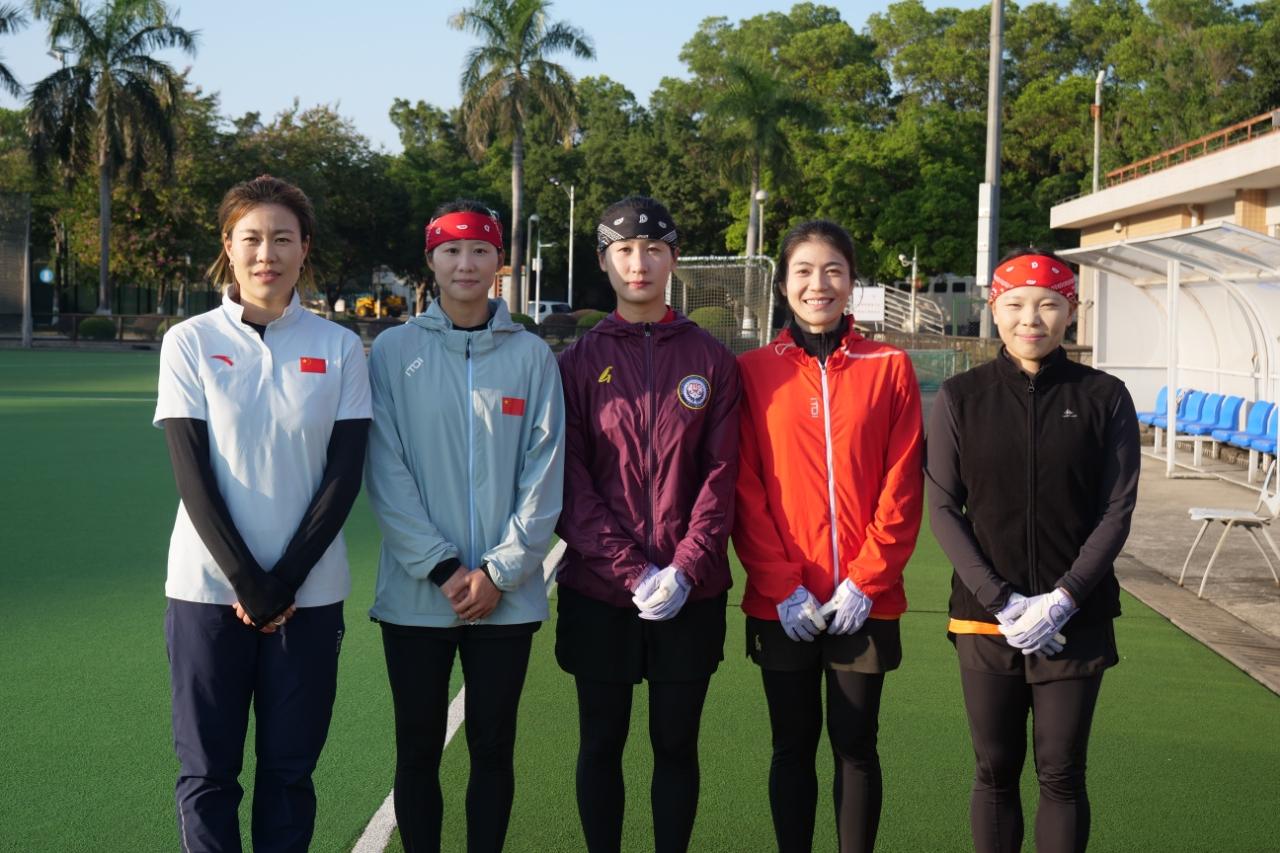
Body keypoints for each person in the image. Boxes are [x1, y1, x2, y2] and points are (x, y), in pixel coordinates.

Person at [154, 175, 371, 852]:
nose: (266, 254)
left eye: (282, 238)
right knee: (208, 774)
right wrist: (249, 582)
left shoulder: (340, 347)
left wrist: (283, 583)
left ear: (305, 248)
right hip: (206, 592)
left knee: (289, 773)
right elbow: (192, 475)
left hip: (310, 596)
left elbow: (344, 476)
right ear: (228, 245)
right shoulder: (189, 341)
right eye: (251, 238)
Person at [364, 199, 565, 853]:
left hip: (507, 597)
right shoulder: (392, 351)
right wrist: (444, 567)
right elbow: (385, 469)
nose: (466, 263)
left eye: (480, 249)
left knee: (493, 746)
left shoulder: (532, 357)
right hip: (417, 593)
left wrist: (501, 572)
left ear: (498, 261)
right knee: (418, 746)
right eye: (451, 250)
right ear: (431, 261)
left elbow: (545, 472)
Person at [926, 249, 1140, 853]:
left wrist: (1064, 599)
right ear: (994, 310)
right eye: (1015, 304)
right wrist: (1002, 601)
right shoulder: (962, 396)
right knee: (994, 769)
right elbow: (942, 507)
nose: (1031, 318)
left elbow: (1117, 509)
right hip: (984, 616)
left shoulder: (1105, 395)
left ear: (1070, 311)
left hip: (1077, 619)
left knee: (1061, 770)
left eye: (1048, 304)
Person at [554, 196, 741, 853]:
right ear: (604, 261)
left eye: (654, 249)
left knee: (676, 744)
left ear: (674, 259)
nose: (640, 262)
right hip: (600, 590)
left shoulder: (712, 358)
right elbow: (570, 481)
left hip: (693, 592)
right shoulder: (576, 362)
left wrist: (684, 570)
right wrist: (633, 571)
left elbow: (721, 475)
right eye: (625, 250)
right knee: (600, 742)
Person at [733, 220, 923, 853]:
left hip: (865, 601)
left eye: (833, 270)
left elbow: (903, 483)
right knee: (790, 746)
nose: (819, 285)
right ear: (783, 284)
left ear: (851, 281)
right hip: (781, 602)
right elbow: (745, 489)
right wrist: (780, 585)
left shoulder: (889, 366)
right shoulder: (752, 371)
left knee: (856, 745)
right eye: (804, 272)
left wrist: (867, 582)